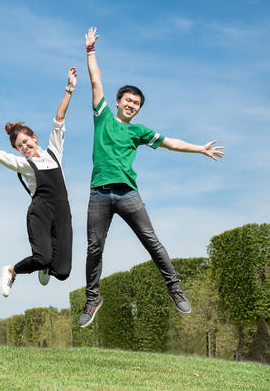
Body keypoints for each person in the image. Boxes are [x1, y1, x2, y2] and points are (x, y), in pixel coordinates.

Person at [78, 27, 225, 328]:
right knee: (94, 247)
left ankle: (175, 288)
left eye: (137, 104)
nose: (131, 105)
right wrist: (90, 51)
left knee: (151, 241)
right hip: (99, 193)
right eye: (128, 100)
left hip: (128, 193)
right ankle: (92, 299)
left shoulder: (140, 131)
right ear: (118, 101)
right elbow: (95, 80)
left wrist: (200, 149)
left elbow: (171, 142)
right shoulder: (102, 115)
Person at [0, 67, 78, 297]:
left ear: (34, 138)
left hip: (62, 211)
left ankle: (47, 268)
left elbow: (59, 118)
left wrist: (69, 87)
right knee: (42, 257)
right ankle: (11, 270)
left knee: (63, 271)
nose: (24, 147)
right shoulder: (22, 164)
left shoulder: (54, 153)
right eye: (19, 146)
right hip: (40, 212)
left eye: (26, 141)